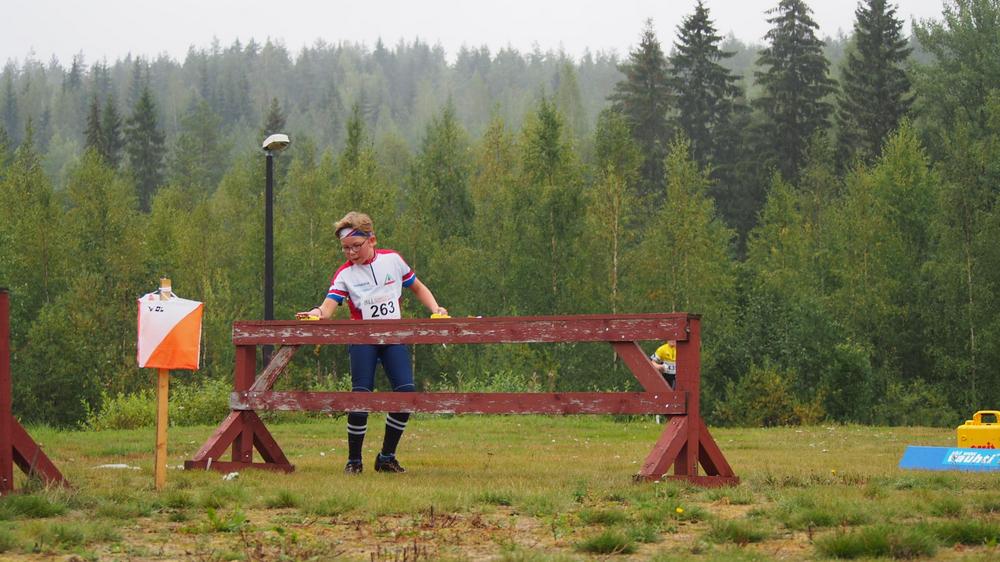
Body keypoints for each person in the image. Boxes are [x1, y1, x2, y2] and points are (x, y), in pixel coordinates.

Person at [297, 211, 447, 475]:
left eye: (356, 246)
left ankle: (386, 457)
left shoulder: (393, 260)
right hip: (362, 340)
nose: (351, 253)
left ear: (372, 240)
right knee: (360, 396)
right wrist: (316, 313)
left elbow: (418, 287)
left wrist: (436, 308)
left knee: (406, 393)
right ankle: (354, 461)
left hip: (393, 338)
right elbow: (329, 305)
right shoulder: (344, 274)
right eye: (345, 248)